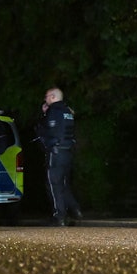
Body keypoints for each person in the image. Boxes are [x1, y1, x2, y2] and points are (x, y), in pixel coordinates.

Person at [37, 87, 82, 226]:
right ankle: (75, 210)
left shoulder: (53, 111)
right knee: (63, 184)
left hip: (55, 152)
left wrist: (44, 116)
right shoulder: (68, 111)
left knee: (53, 184)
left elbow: (47, 130)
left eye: (46, 97)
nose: (45, 99)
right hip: (67, 152)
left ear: (52, 97)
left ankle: (59, 216)